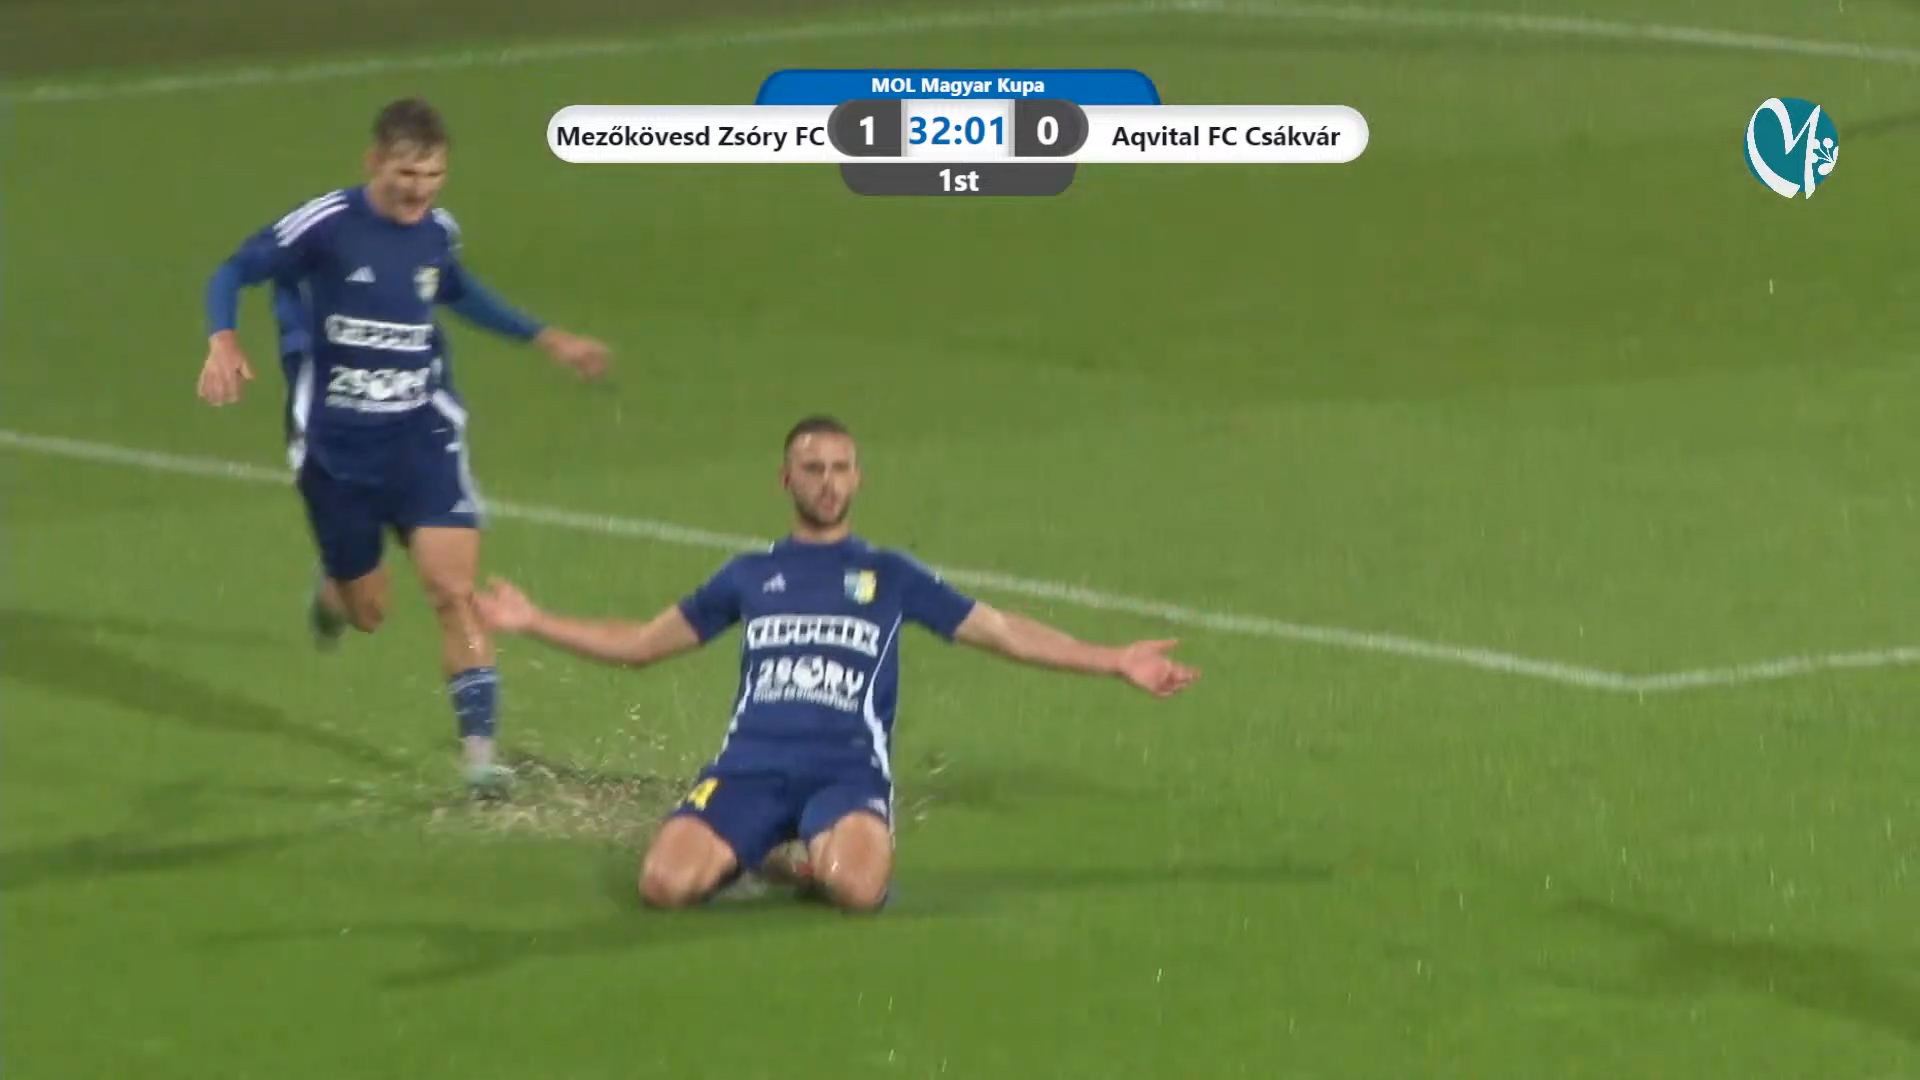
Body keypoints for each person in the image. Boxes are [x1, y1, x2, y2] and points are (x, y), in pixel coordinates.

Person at [473, 415, 1200, 912]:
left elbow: (1004, 632)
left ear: (858, 479)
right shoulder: (749, 576)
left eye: (840, 469)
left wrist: (1113, 660)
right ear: (785, 480)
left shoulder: (892, 575)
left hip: (846, 773)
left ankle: (799, 854)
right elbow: (640, 645)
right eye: (813, 468)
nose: (828, 481)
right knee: (662, 888)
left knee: (855, 891)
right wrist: (535, 621)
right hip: (748, 768)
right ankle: (766, 852)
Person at [196, 97, 612, 799]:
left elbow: (459, 290)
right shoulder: (325, 224)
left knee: (454, 592)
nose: (419, 190)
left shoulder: (435, 233)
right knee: (369, 612)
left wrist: (548, 338)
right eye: (406, 175)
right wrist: (223, 340)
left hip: (423, 437)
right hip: (337, 451)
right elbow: (234, 269)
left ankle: (480, 761)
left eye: (432, 175)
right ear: (374, 163)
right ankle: (334, 593)